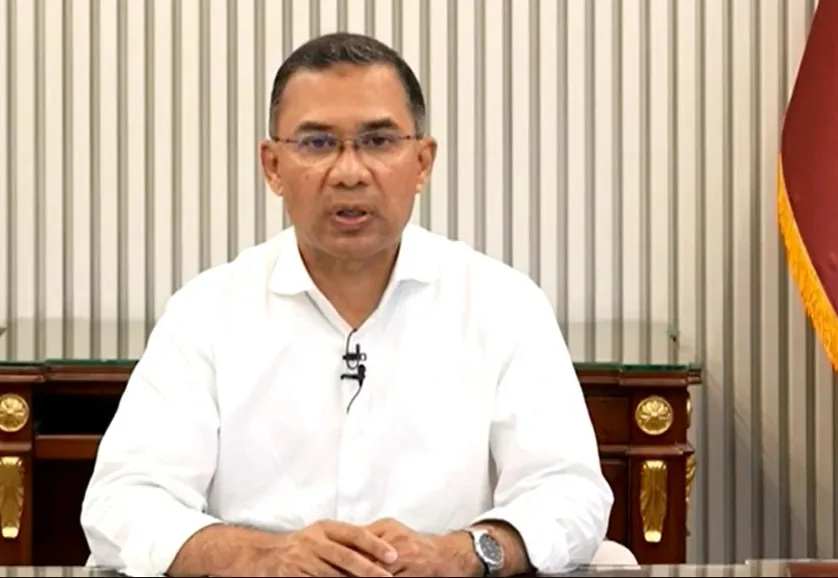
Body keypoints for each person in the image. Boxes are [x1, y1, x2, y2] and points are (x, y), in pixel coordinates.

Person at [80, 32, 613, 577]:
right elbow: (122, 502)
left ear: (422, 162)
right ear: (272, 166)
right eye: (317, 143)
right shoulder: (207, 312)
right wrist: (264, 556)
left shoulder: (503, 304)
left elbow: (570, 493)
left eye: (379, 141)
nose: (350, 172)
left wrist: (461, 554)